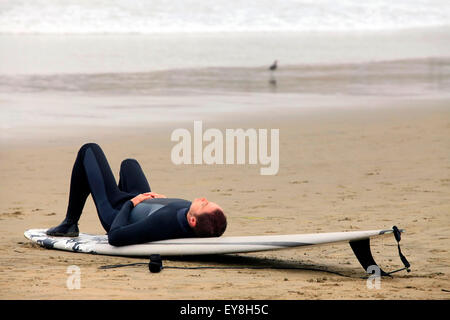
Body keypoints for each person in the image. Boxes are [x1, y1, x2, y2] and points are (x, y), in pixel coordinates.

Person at [46, 143, 227, 246]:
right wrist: (164, 202)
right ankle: (108, 190)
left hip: (116, 210)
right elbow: (206, 225)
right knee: (129, 164)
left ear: (193, 221)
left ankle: (70, 223)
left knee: (89, 150)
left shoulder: (163, 222)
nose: (203, 199)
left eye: (204, 204)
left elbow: (115, 238)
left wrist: (131, 203)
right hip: (143, 203)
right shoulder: (193, 222)